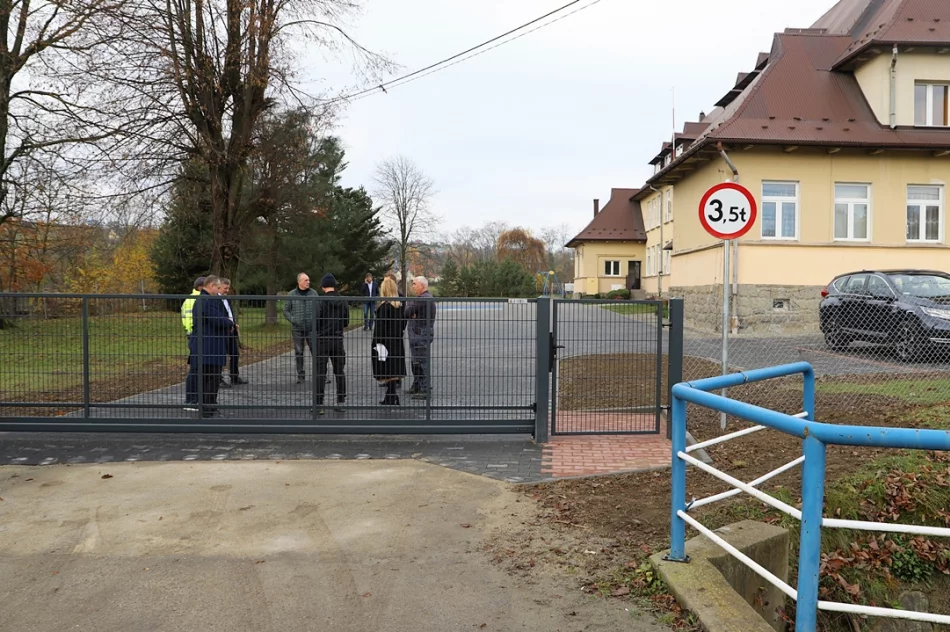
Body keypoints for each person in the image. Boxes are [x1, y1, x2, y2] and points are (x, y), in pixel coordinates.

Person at [190, 276, 233, 418]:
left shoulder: (202, 300)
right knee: (211, 378)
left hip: (205, 346)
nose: (219, 291)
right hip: (210, 347)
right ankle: (208, 410)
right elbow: (217, 319)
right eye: (218, 288)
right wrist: (230, 323)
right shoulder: (208, 301)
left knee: (207, 379)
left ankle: (208, 408)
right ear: (211, 286)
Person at [314, 273, 349, 413]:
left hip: (322, 340)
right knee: (339, 371)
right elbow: (346, 322)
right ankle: (341, 401)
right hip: (338, 340)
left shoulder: (320, 301)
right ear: (335, 286)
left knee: (320, 373)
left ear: (323, 287)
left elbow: (316, 321)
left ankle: (319, 404)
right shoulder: (343, 301)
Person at [372, 276, 407, 406]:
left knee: (386, 368)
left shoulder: (384, 307)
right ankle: (391, 395)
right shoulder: (399, 306)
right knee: (393, 368)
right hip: (396, 341)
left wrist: (377, 342)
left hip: (385, 342)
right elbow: (403, 323)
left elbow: (380, 328)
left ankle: (391, 396)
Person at [404, 276, 437, 400]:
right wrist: (410, 309)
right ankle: (417, 385)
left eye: (415, 284)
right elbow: (408, 311)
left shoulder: (423, 299)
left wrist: (411, 310)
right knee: (416, 361)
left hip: (420, 334)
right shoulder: (422, 299)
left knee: (422, 361)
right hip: (417, 333)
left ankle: (425, 389)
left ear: (422, 285)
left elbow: (407, 312)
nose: (413, 286)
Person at [283, 272, 318, 383]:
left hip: (312, 328)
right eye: (306, 280)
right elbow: (286, 311)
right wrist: (294, 320)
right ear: (299, 282)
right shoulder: (291, 294)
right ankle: (301, 375)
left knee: (316, 351)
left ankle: (320, 375)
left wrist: (316, 320)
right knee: (299, 352)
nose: (308, 282)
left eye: (309, 280)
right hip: (297, 329)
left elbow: (320, 308)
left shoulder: (314, 293)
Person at [217, 278, 248, 387]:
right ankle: (218, 379)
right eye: (225, 288)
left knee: (235, 353)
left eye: (228, 288)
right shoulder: (215, 300)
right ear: (219, 287)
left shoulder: (227, 299)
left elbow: (229, 313)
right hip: (222, 331)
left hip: (231, 331)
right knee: (220, 355)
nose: (227, 290)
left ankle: (234, 376)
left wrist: (234, 323)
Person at [181, 276, 205, 410]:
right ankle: (191, 400)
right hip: (196, 335)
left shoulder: (189, 299)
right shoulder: (198, 299)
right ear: (200, 287)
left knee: (196, 368)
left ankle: (193, 399)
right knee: (195, 369)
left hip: (192, 334)